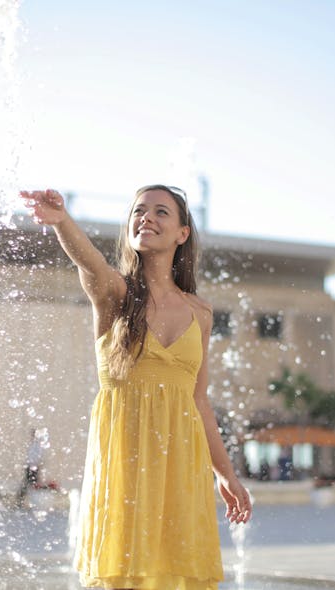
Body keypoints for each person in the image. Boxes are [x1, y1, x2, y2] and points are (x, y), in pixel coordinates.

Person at [20, 185, 252, 590]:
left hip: (181, 465)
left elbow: (199, 401)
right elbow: (89, 263)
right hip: (125, 465)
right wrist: (62, 221)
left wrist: (227, 475)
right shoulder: (115, 294)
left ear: (182, 233)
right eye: (139, 211)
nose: (147, 217)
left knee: (179, 575)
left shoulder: (201, 312)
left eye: (161, 212)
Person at [17, 428, 43, 507]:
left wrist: (35, 465)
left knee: (31, 484)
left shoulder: (37, 445)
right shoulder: (33, 444)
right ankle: (22, 500)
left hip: (33, 467)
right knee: (27, 484)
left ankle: (30, 502)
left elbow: (37, 456)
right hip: (30, 467)